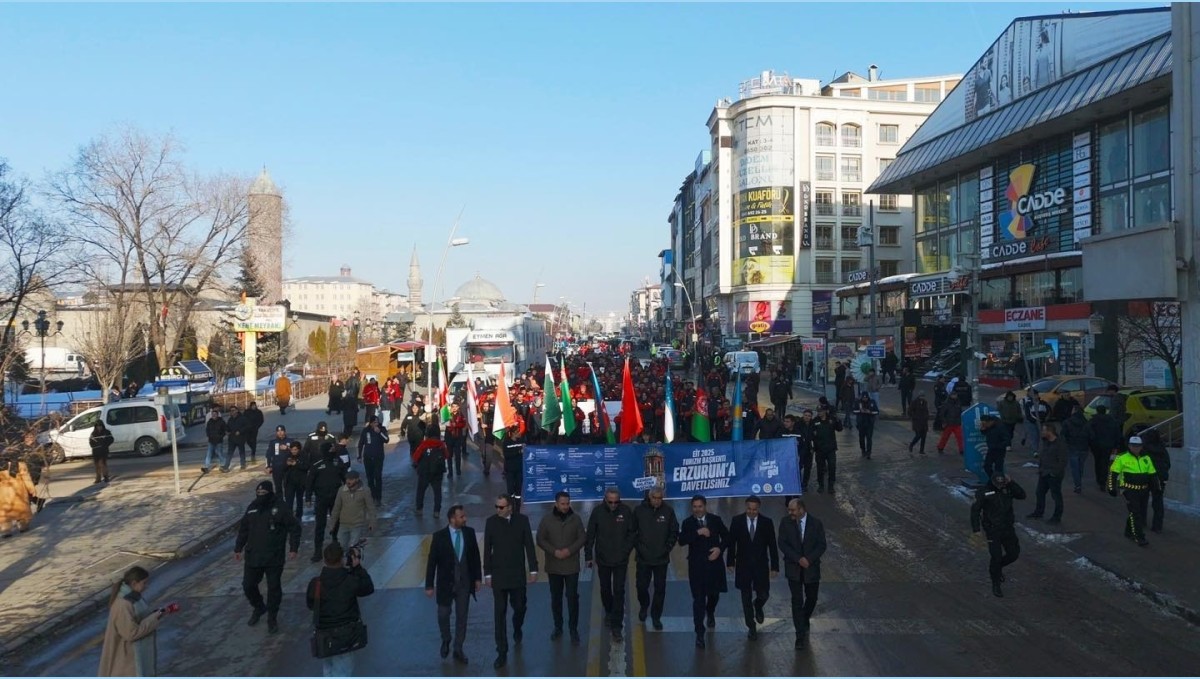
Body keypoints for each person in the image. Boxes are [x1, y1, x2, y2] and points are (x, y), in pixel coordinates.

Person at [234, 481, 300, 634]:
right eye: (259, 493)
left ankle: (272, 617)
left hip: (273, 556)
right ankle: (259, 607)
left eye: (264, 493)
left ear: (270, 493)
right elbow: (244, 529)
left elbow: (294, 527)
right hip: (253, 555)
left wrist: (293, 548)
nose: (261, 496)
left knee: (274, 588)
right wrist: (238, 548)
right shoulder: (252, 507)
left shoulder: (280, 507)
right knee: (248, 585)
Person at [483, 494, 538, 670]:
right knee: (499, 614)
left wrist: (533, 569)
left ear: (509, 508)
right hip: (498, 577)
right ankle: (501, 651)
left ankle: (517, 626)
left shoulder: (522, 521)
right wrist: (487, 574)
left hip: (517, 575)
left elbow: (529, 545)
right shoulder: (491, 522)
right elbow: (487, 549)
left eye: (501, 507)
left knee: (520, 606)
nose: (497, 510)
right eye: (496, 506)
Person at [306, 541, 375, 677]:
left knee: (329, 670)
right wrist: (357, 567)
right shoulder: (350, 580)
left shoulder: (316, 583)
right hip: (346, 636)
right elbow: (368, 587)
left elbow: (310, 605)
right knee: (343, 672)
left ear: (325, 560)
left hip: (324, 637)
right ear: (342, 560)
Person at [425, 505, 481, 665]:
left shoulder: (469, 533)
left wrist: (477, 578)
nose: (465, 519)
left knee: (462, 617)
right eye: (461, 517)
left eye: (464, 516)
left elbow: (475, 556)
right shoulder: (439, 537)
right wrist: (429, 585)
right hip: (445, 584)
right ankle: (446, 638)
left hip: (464, 583)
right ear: (452, 519)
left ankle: (458, 648)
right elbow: (431, 562)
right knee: (443, 614)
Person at [98, 566, 176, 677]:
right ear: (134, 583)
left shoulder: (132, 598)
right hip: (127, 662)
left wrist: (159, 613)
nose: (146, 586)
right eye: (144, 583)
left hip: (131, 658)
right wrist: (155, 617)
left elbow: (139, 618)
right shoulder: (123, 604)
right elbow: (131, 633)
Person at [678, 495, 729, 649]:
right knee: (698, 600)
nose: (697, 509)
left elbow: (727, 537)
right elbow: (682, 540)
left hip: (714, 566)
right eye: (695, 507)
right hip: (697, 568)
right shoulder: (688, 523)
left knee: (714, 595)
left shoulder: (715, 520)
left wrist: (720, 549)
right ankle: (699, 633)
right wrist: (698, 532)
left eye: (700, 506)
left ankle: (711, 611)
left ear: (705, 506)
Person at [726, 495, 779, 641]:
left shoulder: (767, 522)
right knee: (745, 598)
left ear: (758, 509)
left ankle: (758, 605)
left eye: (754, 509)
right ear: (745, 507)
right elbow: (732, 543)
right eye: (749, 509)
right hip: (743, 566)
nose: (751, 512)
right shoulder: (737, 521)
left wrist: (775, 566)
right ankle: (751, 626)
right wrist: (730, 562)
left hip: (761, 565)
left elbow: (772, 545)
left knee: (764, 594)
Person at [585, 487, 635, 642]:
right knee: (605, 588)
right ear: (605, 499)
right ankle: (608, 610)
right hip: (603, 559)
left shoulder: (626, 511)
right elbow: (590, 535)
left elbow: (632, 533)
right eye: (610, 502)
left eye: (616, 502)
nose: (613, 504)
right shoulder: (597, 512)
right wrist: (588, 556)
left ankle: (617, 626)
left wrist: (625, 551)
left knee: (619, 591)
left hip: (620, 560)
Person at [536, 491, 586, 644]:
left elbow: (582, 538)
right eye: (562, 504)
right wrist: (554, 551)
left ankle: (573, 628)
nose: (565, 506)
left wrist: (569, 550)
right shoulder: (547, 520)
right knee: (556, 598)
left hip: (571, 566)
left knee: (572, 598)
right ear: (556, 504)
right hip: (554, 567)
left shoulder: (576, 519)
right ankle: (558, 626)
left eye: (567, 503)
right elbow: (540, 539)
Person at [777, 498, 826, 650]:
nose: (789, 512)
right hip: (794, 569)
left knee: (812, 598)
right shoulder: (785, 522)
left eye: (792, 510)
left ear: (801, 510)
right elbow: (782, 543)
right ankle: (800, 635)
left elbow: (821, 545)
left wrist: (808, 559)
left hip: (811, 569)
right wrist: (798, 559)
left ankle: (804, 618)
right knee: (796, 601)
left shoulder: (816, 523)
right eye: (789, 510)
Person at [970, 473, 1027, 598]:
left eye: (1002, 484)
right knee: (996, 556)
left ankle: (997, 568)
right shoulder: (984, 492)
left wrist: (1011, 482)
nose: (1000, 487)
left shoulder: (1008, 489)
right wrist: (976, 529)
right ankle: (996, 583)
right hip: (993, 530)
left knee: (1013, 554)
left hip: (1007, 528)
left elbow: (1022, 495)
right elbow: (975, 511)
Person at [632, 487, 678, 631]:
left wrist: (667, 548)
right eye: (655, 498)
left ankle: (656, 616)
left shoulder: (668, 511)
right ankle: (644, 605)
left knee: (660, 589)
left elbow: (674, 531)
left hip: (661, 559)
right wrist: (640, 548)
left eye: (660, 498)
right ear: (649, 497)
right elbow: (632, 531)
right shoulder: (639, 511)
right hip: (643, 558)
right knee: (641, 586)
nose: (657, 501)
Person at [1107, 436, 1158, 547]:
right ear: (1129, 446)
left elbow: (1152, 475)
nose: (1136, 448)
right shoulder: (1121, 458)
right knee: (1136, 513)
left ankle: (1128, 530)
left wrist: (1156, 488)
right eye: (1133, 446)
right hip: (1129, 490)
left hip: (1143, 490)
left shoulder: (1146, 458)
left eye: (1138, 446)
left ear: (1141, 447)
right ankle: (1139, 537)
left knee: (1138, 512)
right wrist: (1111, 488)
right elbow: (1113, 473)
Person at [307, 444, 348, 563]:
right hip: (321, 498)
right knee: (320, 525)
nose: (333, 451)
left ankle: (337, 547)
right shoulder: (317, 465)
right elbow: (310, 482)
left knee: (337, 523)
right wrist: (308, 497)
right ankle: (318, 551)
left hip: (336, 498)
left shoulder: (337, 462)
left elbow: (345, 477)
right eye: (330, 449)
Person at [1027, 422, 1067, 524]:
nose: (1042, 432)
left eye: (1044, 430)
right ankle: (1039, 512)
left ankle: (1056, 517)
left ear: (1049, 431)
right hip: (1044, 472)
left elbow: (1062, 461)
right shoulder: (1046, 442)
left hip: (1053, 474)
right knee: (1039, 493)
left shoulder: (1060, 444)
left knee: (1056, 496)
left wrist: (1055, 473)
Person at [330, 471, 376, 548]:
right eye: (347, 479)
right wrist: (332, 524)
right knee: (341, 547)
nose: (348, 481)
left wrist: (372, 522)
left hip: (357, 524)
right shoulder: (341, 490)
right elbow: (336, 508)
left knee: (353, 548)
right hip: (343, 524)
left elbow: (370, 507)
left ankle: (355, 558)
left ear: (357, 479)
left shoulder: (365, 490)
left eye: (351, 479)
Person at [411, 429, 449, 514]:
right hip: (437, 471)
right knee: (437, 492)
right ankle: (436, 511)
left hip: (424, 471)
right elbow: (446, 455)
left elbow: (415, 456)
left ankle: (419, 509)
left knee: (421, 490)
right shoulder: (441, 444)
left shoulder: (424, 444)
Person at [1086, 405, 1122, 492]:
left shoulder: (1093, 421)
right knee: (1105, 463)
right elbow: (1117, 433)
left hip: (1096, 445)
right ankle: (1103, 481)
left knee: (1097, 462)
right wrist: (1116, 445)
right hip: (1108, 445)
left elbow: (1088, 432)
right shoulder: (1112, 421)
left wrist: (1090, 443)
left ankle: (1099, 479)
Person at [0, 451, 36, 537]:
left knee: (5, 514)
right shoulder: (20, 464)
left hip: (3, 494)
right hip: (19, 492)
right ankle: (23, 526)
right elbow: (26, 478)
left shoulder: (1, 466)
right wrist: (31, 489)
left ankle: (6, 530)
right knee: (22, 512)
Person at [357, 416, 390, 505]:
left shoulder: (382, 429)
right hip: (368, 457)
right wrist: (359, 456)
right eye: (374, 423)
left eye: (377, 422)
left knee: (378, 477)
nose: (376, 424)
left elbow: (386, 440)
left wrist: (379, 433)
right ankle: (373, 495)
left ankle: (378, 498)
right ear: (371, 423)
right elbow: (361, 443)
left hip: (378, 457)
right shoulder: (366, 431)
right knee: (370, 478)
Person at [810, 407, 842, 494]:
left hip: (831, 449)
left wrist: (838, 421)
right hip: (819, 449)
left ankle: (831, 485)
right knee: (820, 468)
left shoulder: (831, 419)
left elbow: (839, 429)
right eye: (818, 411)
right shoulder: (815, 421)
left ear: (825, 411)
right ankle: (821, 485)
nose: (819, 413)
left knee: (832, 466)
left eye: (821, 411)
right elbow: (811, 434)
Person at [1062, 404, 1091, 494]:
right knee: (1080, 466)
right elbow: (1091, 435)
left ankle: (1077, 485)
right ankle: (1078, 482)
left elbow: (1063, 435)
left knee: (1075, 467)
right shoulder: (1086, 422)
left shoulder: (1067, 422)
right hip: (1084, 447)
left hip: (1072, 447)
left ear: (1074, 411)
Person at [782, 412, 813, 494]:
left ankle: (799, 486)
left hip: (797, 457)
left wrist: (800, 456)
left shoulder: (799, 433)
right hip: (786, 458)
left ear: (793, 422)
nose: (785, 423)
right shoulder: (781, 432)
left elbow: (803, 445)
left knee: (798, 471)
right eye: (784, 421)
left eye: (787, 421)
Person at [501, 427, 526, 511]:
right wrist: (518, 452)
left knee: (518, 490)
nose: (519, 433)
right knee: (510, 490)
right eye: (517, 432)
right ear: (512, 433)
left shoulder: (521, 441)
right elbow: (506, 455)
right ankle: (511, 507)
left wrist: (525, 448)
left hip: (519, 470)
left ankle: (517, 509)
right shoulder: (506, 442)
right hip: (510, 470)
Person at [265, 426, 295, 493]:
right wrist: (268, 466)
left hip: (288, 468)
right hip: (276, 468)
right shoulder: (273, 442)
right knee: (278, 487)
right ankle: (279, 502)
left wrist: (287, 448)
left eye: (282, 431)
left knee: (288, 487)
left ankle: (288, 502)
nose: (280, 433)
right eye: (278, 431)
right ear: (276, 433)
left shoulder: (290, 441)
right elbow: (268, 455)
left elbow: (296, 452)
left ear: (285, 431)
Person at [1021, 388, 1048, 455]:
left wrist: (1043, 419)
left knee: (1043, 435)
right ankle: (1035, 450)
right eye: (1033, 395)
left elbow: (1047, 411)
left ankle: (1045, 449)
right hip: (1032, 422)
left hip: (1041, 422)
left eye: (1036, 395)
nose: (1035, 396)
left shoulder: (1043, 403)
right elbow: (1028, 414)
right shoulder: (1028, 404)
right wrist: (1034, 420)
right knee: (1034, 435)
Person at [854, 392, 879, 460]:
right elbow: (854, 411)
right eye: (863, 398)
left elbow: (876, 411)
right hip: (861, 423)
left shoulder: (872, 402)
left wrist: (870, 412)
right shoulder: (858, 402)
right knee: (861, 438)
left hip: (869, 423)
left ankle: (869, 452)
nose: (865, 399)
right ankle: (863, 450)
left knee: (869, 438)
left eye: (866, 398)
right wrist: (860, 411)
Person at [202, 408, 228, 473]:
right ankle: (206, 467)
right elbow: (207, 430)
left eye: (215, 414)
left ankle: (224, 465)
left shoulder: (221, 422)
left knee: (219, 453)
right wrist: (209, 435)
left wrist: (221, 436)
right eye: (212, 414)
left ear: (217, 415)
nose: (214, 415)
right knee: (209, 454)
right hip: (211, 440)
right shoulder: (209, 422)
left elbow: (225, 430)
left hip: (219, 441)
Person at [226, 406, 250, 470]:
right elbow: (227, 427)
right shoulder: (230, 419)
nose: (232, 412)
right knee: (230, 453)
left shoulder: (242, 418)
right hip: (232, 439)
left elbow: (247, 426)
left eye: (233, 410)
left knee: (241, 452)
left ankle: (243, 464)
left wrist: (240, 431)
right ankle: (226, 466)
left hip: (240, 438)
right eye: (231, 411)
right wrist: (227, 431)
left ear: (237, 411)